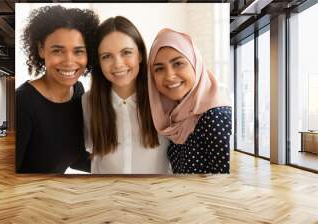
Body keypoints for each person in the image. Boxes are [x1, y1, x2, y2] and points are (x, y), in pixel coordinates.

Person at [15, 5, 99, 173]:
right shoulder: (23, 102)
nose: (69, 61)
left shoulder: (78, 92)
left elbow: (73, 156)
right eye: (58, 51)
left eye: (78, 51)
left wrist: (114, 163)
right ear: (41, 49)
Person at [82, 16, 171, 174]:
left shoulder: (166, 98)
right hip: (107, 195)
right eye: (106, 56)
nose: (118, 64)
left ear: (140, 55)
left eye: (126, 52)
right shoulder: (87, 102)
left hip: (156, 195)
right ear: (99, 62)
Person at [148, 28, 232, 174]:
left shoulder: (215, 117)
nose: (169, 76)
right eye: (159, 69)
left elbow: (225, 183)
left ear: (195, 64)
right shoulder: (174, 116)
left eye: (178, 64)